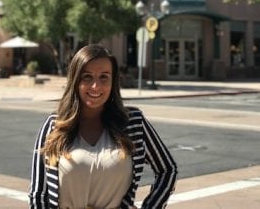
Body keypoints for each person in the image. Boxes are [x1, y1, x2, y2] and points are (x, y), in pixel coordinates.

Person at [29, 44, 177, 209]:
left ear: (113, 81)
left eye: (104, 77)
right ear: (75, 81)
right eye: (87, 77)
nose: (95, 86)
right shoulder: (54, 125)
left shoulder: (134, 123)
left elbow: (167, 170)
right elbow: (38, 194)